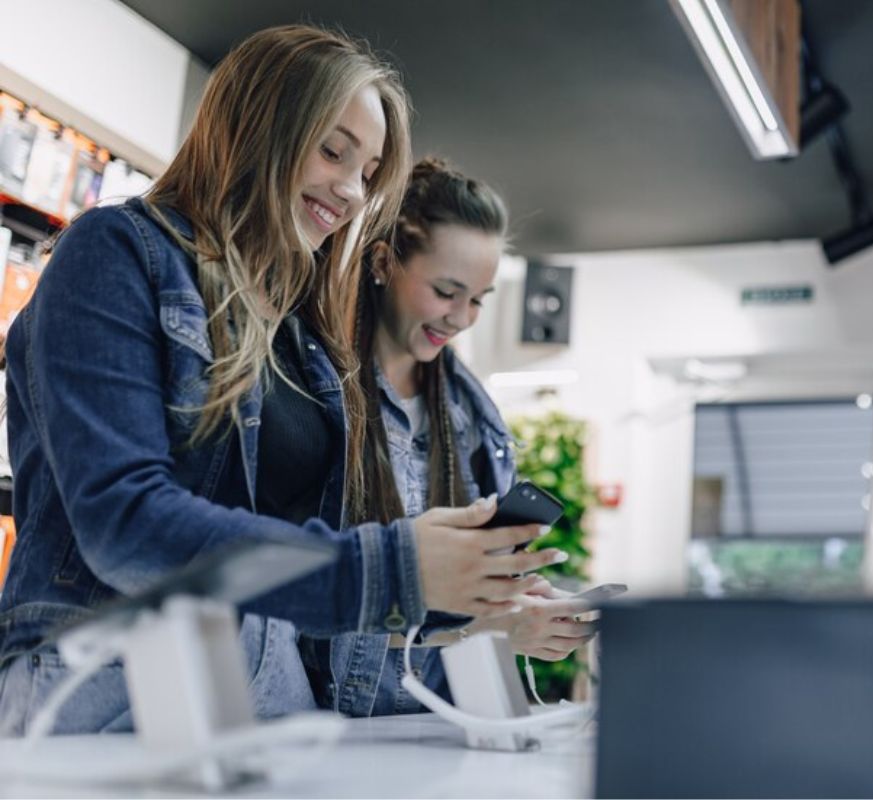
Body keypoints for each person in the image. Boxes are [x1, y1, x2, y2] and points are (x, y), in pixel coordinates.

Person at [0, 25, 563, 735]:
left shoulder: (303, 335)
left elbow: (297, 577)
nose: (353, 191)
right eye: (334, 150)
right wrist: (394, 567)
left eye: (369, 171)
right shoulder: (117, 254)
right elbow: (126, 524)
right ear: (258, 125)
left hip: (263, 694)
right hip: (105, 684)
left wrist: (465, 599)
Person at [304, 158, 596, 715]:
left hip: (435, 731)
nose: (462, 318)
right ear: (385, 262)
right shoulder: (312, 395)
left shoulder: (474, 421)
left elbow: (466, 607)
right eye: (446, 291)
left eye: (479, 299)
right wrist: (485, 626)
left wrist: (516, 607)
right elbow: (299, 610)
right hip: (321, 730)